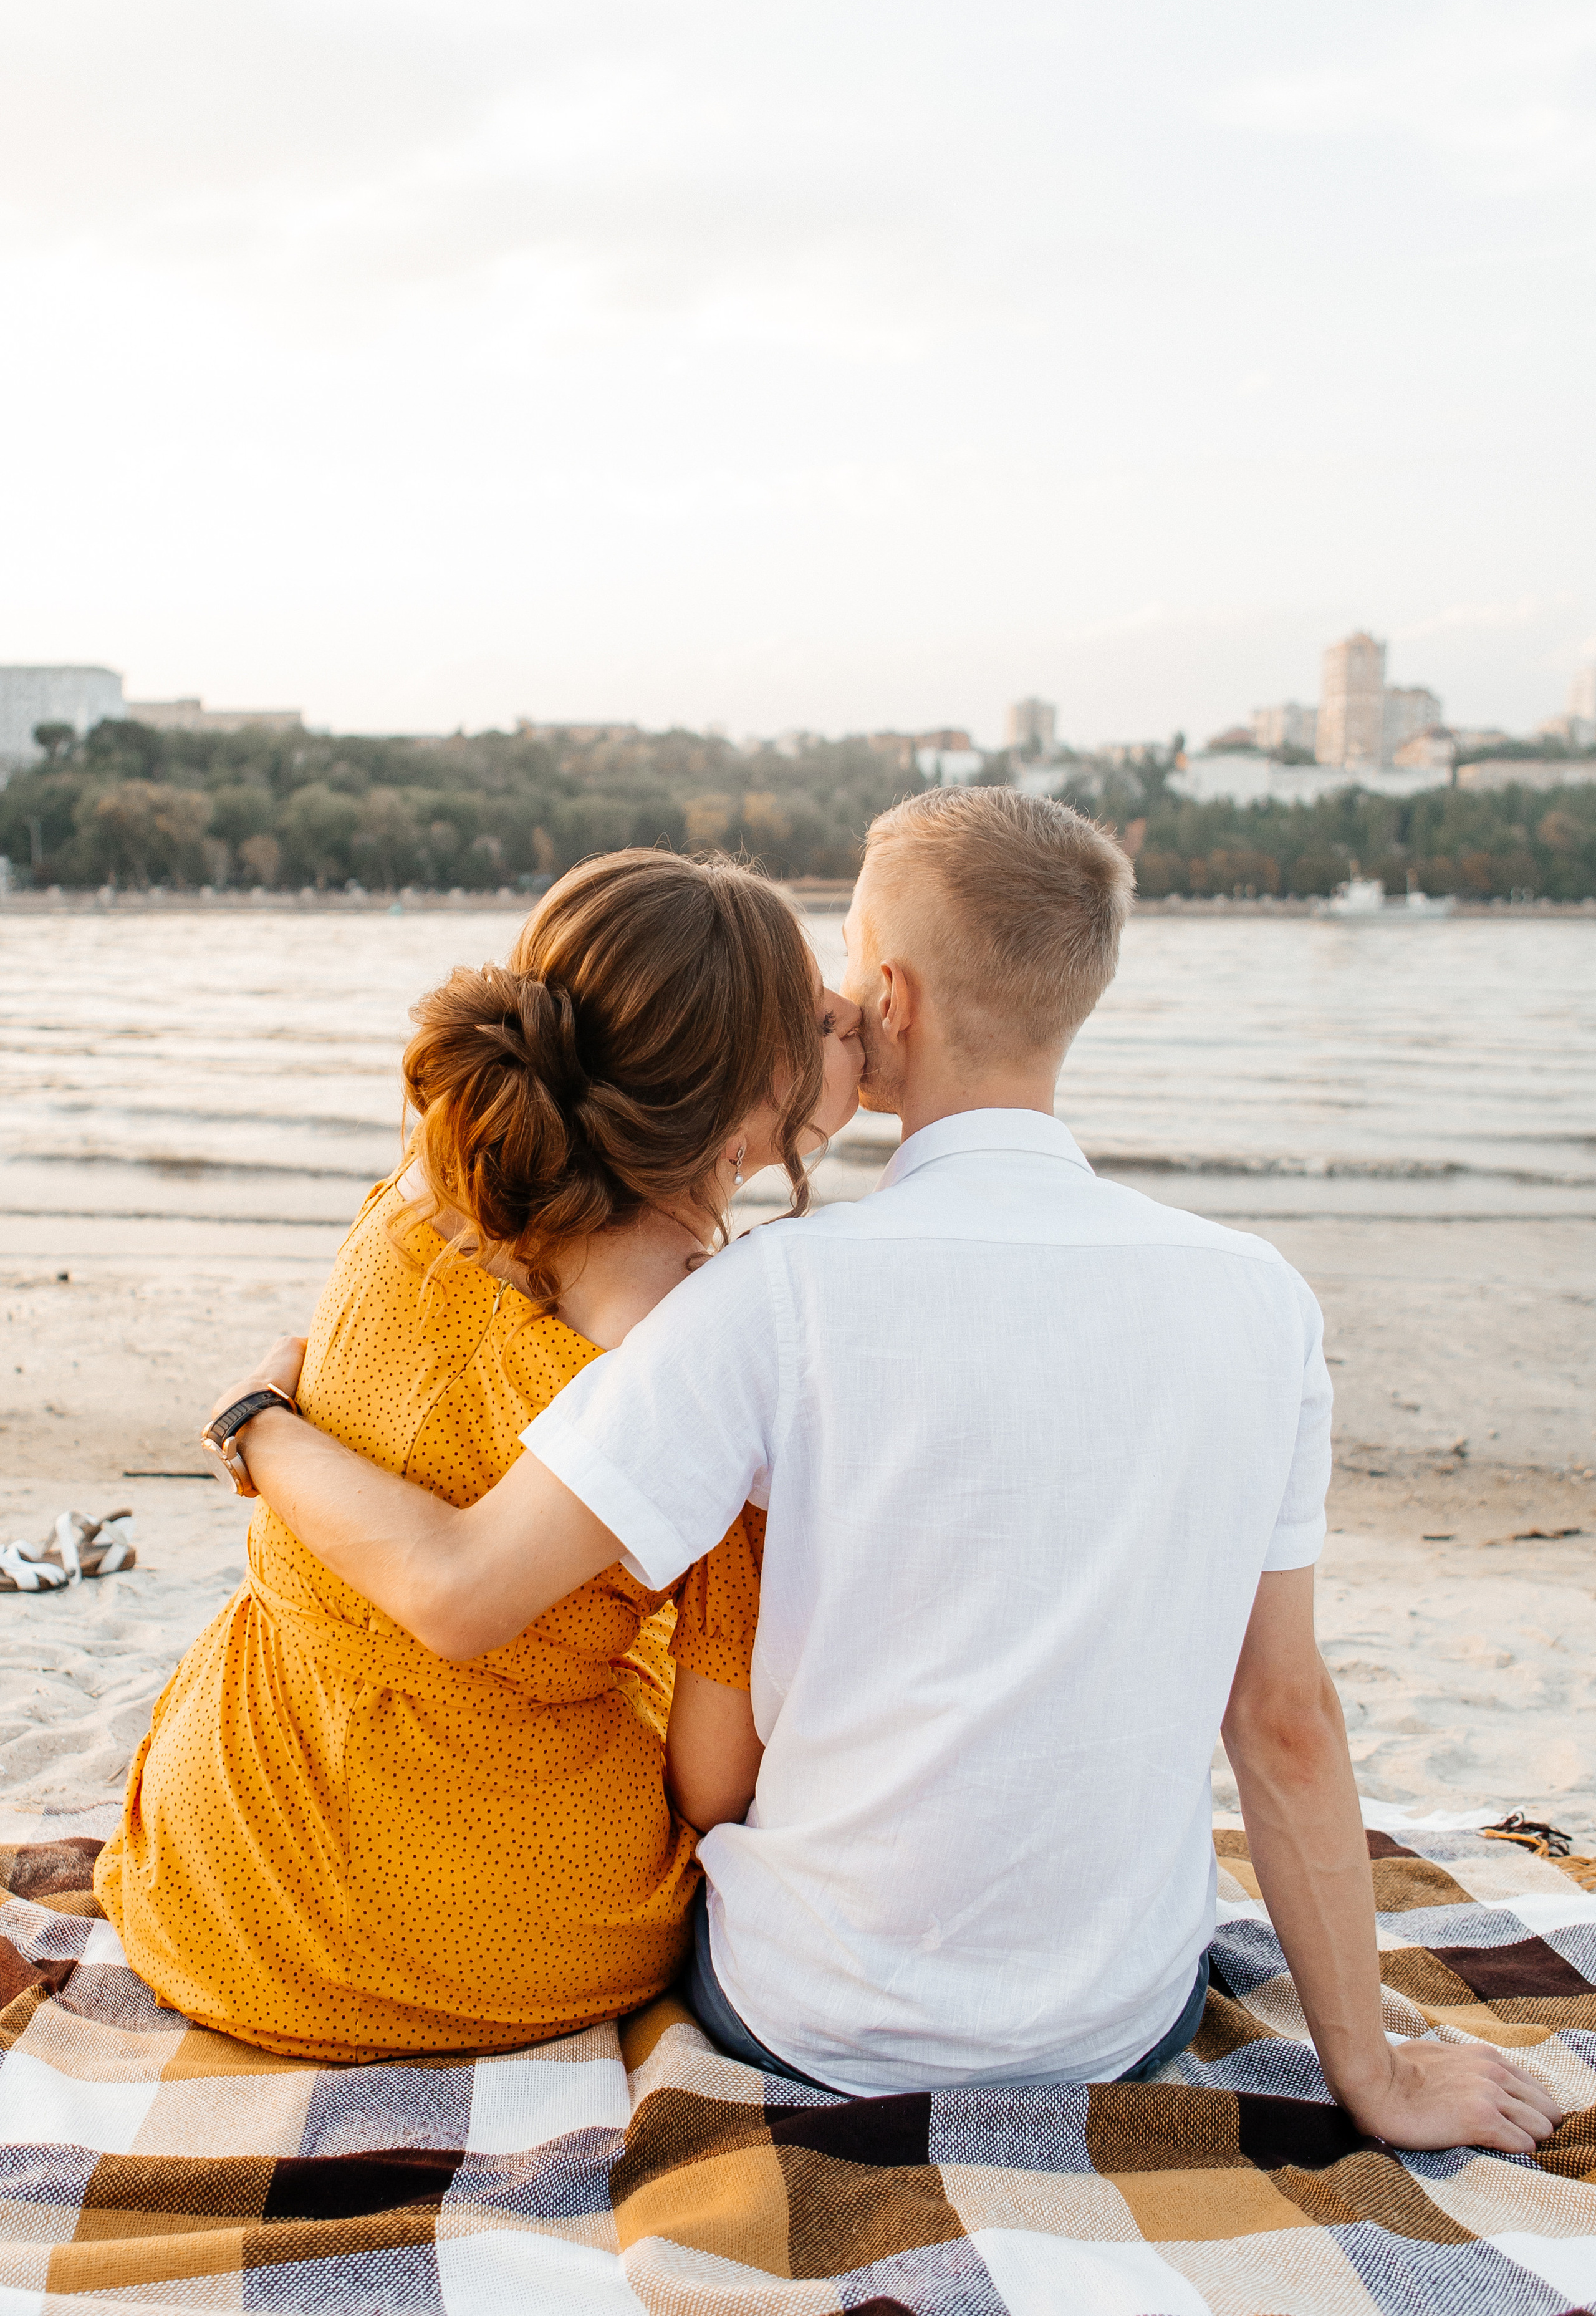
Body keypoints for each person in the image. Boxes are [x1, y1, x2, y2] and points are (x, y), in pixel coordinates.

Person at [218, 788, 1561, 2152]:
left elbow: (477, 1595)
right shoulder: (1261, 1298)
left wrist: (262, 1419)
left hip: (816, 2020)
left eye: (848, 973)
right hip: (1117, 2018)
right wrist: (1374, 2074)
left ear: (895, 1000)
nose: (836, 1011)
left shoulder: (761, 1299)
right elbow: (1283, 1718)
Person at [97, 849, 862, 2061]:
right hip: (489, 1919)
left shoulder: (443, 1163)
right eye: (816, 1017)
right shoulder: (690, 1340)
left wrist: (258, 1421)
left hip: (224, 1854)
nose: (852, 1020)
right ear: (744, 1094)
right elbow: (711, 1785)